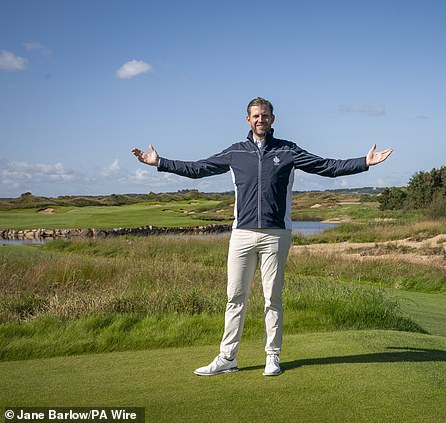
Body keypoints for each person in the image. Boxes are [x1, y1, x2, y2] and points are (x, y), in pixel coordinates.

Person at [131, 97, 393, 376]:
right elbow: (198, 169)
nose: (260, 120)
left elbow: (326, 167)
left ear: (272, 119)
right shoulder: (236, 152)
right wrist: (160, 162)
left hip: (276, 234)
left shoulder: (288, 151)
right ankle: (227, 358)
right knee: (235, 297)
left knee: (272, 298)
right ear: (248, 120)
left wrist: (364, 162)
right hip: (241, 233)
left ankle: (272, 357)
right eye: (256, 116)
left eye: (265, 116)